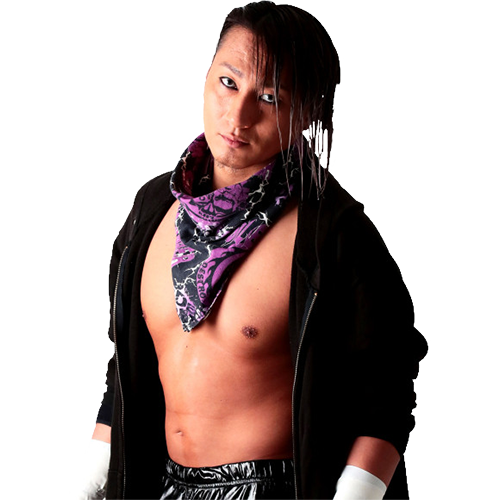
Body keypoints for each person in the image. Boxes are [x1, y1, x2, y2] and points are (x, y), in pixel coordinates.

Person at [77, 1, 428, 499]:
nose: (238, 116)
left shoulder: (334, 234)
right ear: (205, 76)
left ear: (307, 112)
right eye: (228, 82)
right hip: (159, 482)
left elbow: (387, 388)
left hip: (276, 487)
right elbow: (128, 356)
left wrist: (357, 492)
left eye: (269, 97)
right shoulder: (152, 209)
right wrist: (96, 469)